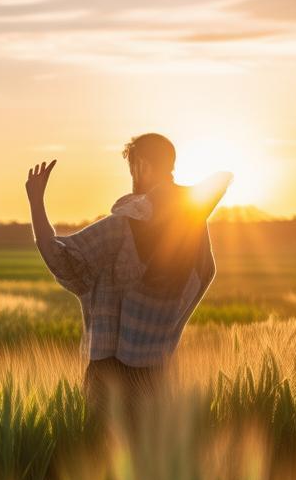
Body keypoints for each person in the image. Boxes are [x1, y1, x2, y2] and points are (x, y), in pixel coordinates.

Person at [25, 133, 232, 417]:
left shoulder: (123, 226)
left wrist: (36, 201)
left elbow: (61, 259)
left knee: (102, 443)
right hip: (158, 375)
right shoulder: (195, 230)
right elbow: (205, 274)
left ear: (142, 165)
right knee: (150, 443)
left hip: (108, 374)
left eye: (132, 166)